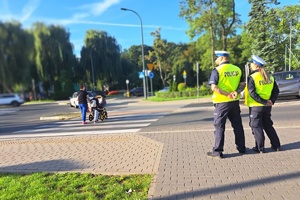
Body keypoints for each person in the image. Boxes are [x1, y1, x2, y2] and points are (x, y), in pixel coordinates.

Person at [207, 50, 246, 158]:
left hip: (221, 103)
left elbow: (214, 87)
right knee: (237, 126)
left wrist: (227, 94)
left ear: (221, 58)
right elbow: (243, 84)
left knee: (219, 126)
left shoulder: (217, 70)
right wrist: (236, 92)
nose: (216, 60)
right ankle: (242, 148)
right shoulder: (237, 69)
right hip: (234, 102)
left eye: (216, 58)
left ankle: (218, 151)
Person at [244, 55, 281, 153]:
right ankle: (276, 145)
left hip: (256, 106)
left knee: (257, 127)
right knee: (268, 125)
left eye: (252, 64)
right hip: (267, 107)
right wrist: (271, 101)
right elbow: (276, 91)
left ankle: (260, 148)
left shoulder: (252, 77)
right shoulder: (270, 77)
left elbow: (252, 93)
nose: (250, 65)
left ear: (256, 65)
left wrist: (264, 102)